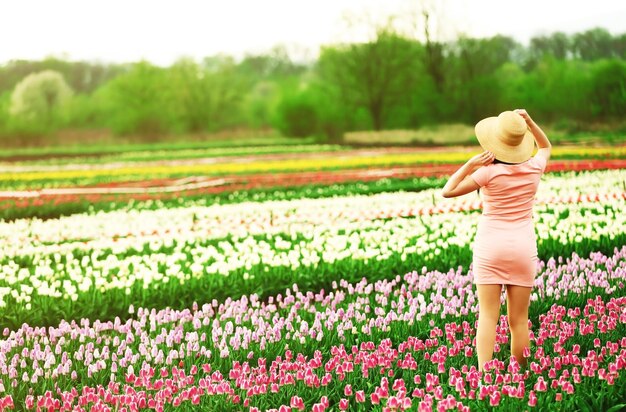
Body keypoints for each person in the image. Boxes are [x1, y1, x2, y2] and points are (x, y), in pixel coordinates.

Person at [440, 109, 552, 374]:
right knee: (519, 320)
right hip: (523, 248)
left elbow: (448, 191)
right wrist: (530, 122)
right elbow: (546, 145)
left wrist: (470, 165)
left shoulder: (488, 174)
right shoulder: (535, 167)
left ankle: (485, 377)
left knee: (488, 316)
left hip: (491, 247)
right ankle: (521, 376)